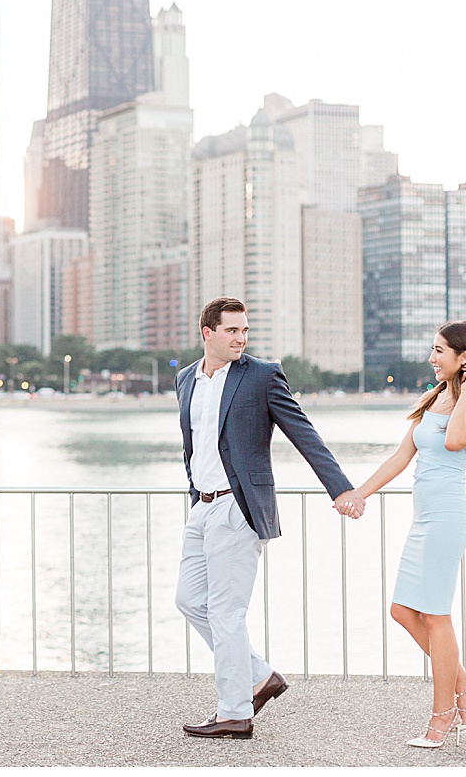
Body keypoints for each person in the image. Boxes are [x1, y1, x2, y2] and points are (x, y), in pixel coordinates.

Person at [174, 296, 365, 739]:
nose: (241, 338)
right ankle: (259, 676)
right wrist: (194, 495)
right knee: (189, 600)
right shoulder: (186, 380)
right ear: (208, 333)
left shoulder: (261, 376)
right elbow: (194, 445)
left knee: (225, 611)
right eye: (231, 331)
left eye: (244, 330)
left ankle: (234, 712)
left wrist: (340, 488)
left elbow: (303, 432)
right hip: (201, 507)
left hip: (238, 508)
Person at [344, 320, 466, 748]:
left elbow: (454, 443)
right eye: (432, 350)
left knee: (436, 616)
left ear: (463, 358)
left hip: (448, 517)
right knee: (402, 610)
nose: (431, 358)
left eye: (439, 351)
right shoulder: (431, 399)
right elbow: (401, 456)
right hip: (423, 519)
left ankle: (443, 716)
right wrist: (359, 493)